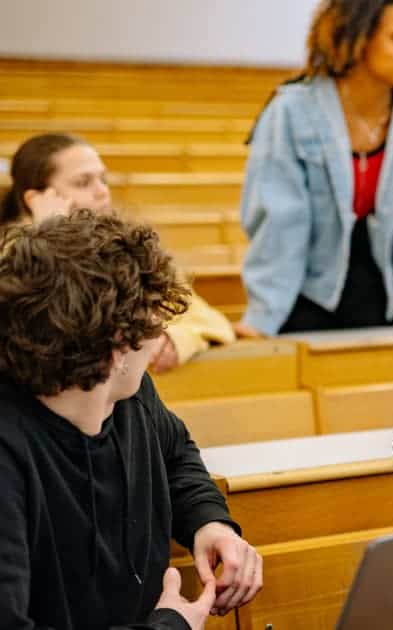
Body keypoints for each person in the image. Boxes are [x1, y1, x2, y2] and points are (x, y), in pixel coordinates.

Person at [0, 210, 263, 629]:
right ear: (117, 350)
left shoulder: (130, 393)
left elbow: (175, 455)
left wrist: (209, 522)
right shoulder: (9, 450)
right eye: (154, 322)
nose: (161, 337)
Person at [237, 0, 393, 336]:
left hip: (382, 295)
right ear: (359, 38)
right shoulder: (290, 110)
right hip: (304, 294)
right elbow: (281, 221)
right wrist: (263, 317)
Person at [0, 132, 236, 373]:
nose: (102, 191)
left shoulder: (125, 250)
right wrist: (50, 240)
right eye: (83, 182)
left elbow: (211, 320)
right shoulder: (10, 262)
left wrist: (178, 338)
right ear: (35, 199)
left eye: (103, 179)